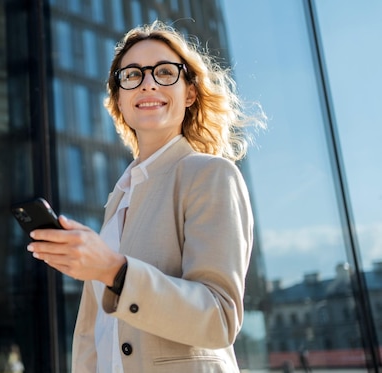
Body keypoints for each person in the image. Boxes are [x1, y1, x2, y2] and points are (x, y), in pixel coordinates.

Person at [26, 20, 265, 372]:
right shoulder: (120, 197)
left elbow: (219, 318)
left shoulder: (210, 174)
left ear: (190, 93)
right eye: (132, 75)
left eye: (165, 72)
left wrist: (115, 271)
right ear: (119, 99)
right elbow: (100, 334)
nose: (148, 82)